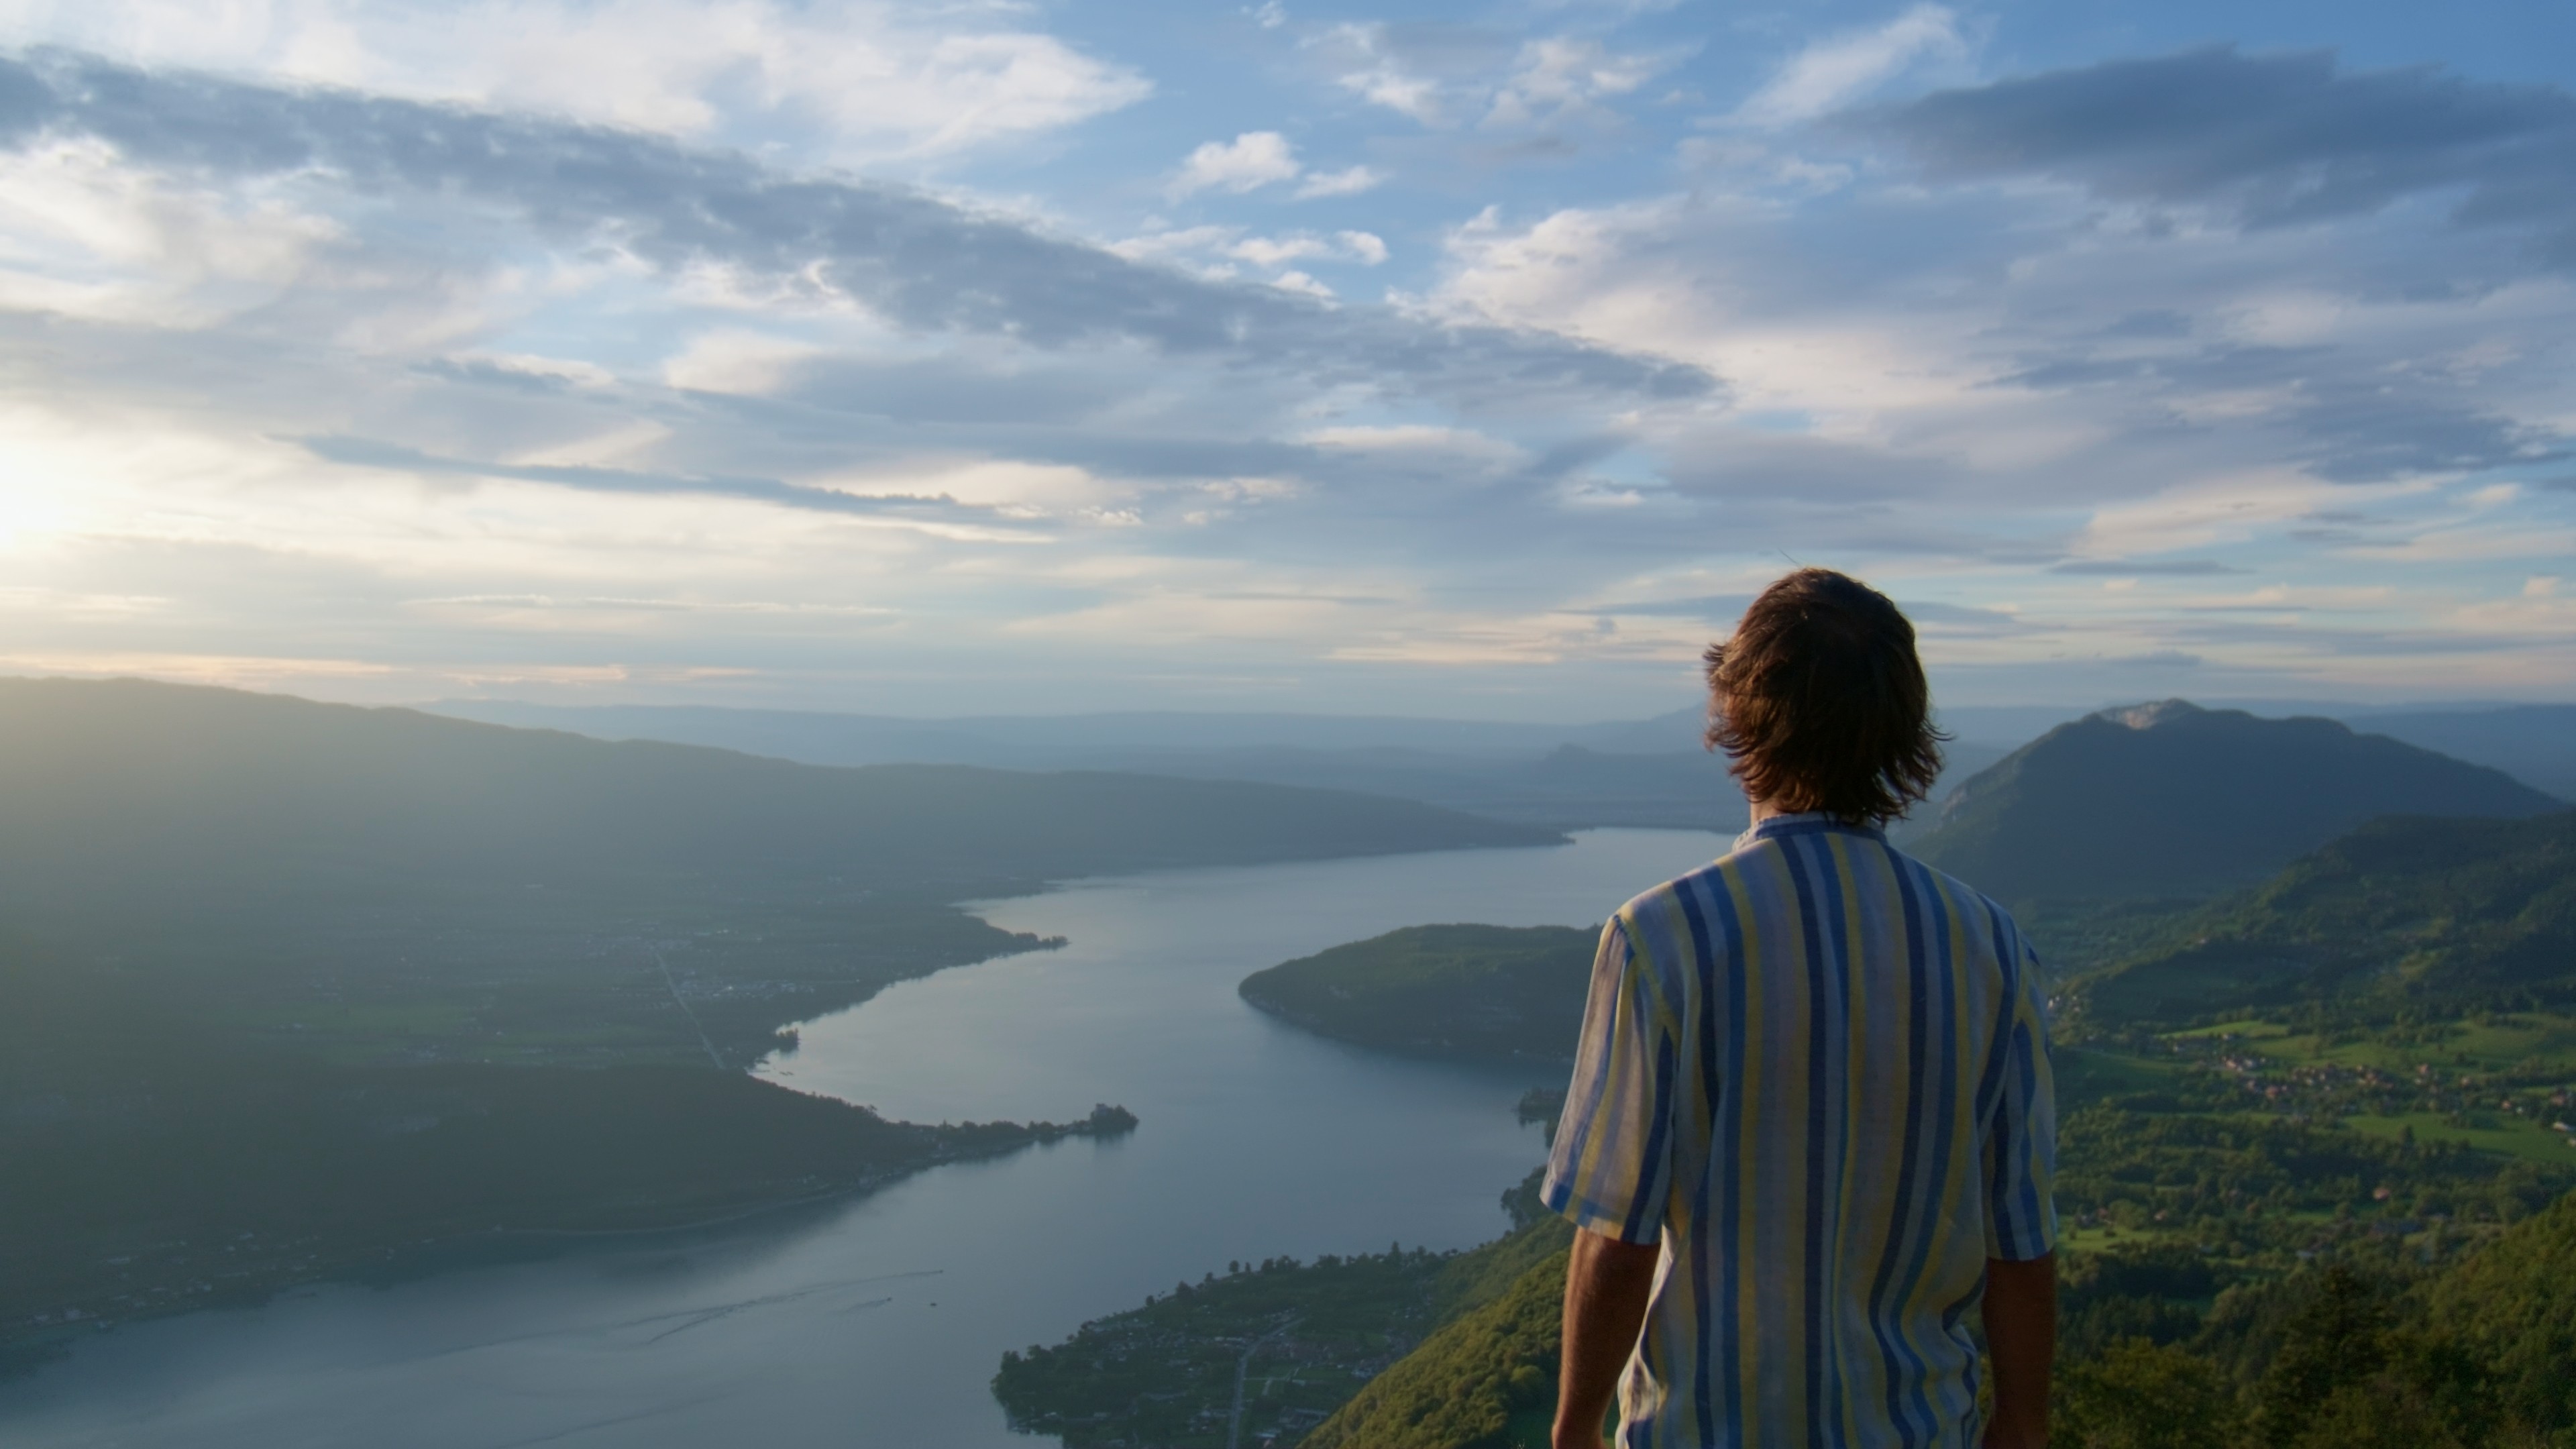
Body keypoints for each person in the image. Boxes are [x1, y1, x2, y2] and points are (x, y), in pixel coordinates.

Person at [1544, 568, 2057, 1449]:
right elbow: (2021, 1237)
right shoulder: (1990, 945)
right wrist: (2022, 1426)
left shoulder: (1661, 938)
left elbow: (1619, 1240)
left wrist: (1574, 1429)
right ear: (1903, 735)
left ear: (1738, 716)